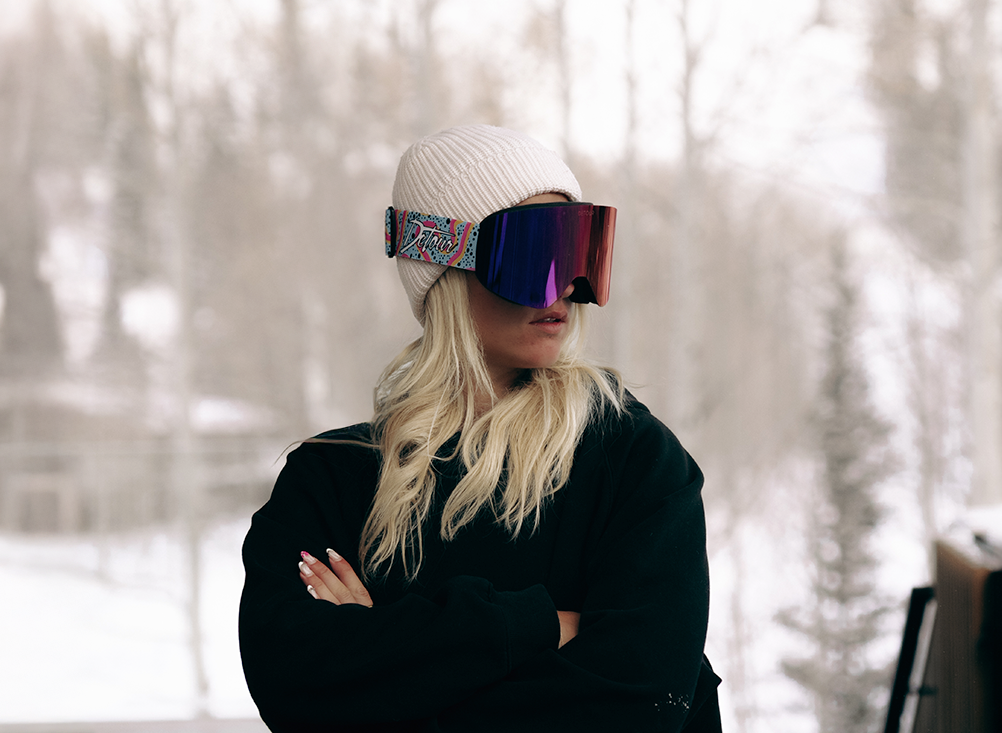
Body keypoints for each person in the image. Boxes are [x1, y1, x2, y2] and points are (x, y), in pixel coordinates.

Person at [239, 125, 721, 731]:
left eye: (578, 251)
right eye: (535, 254)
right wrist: (541, 626)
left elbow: (638, 705)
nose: (567, 288)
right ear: (444, 265)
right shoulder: (332, 476)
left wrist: (384, 663)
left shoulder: (633, 460)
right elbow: (293, 682)